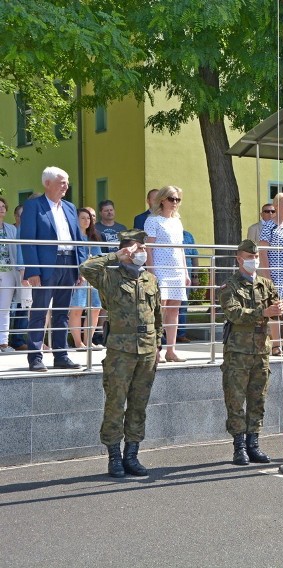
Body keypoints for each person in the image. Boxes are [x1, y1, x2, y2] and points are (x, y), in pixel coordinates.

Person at [80, 229, 162, 477]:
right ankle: (114, 457)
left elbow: (157, 316)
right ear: (128, 251)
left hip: (146, 351)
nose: (143, 253)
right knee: (115, 404)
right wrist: (116, 256)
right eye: (138, 249)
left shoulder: (150, 280)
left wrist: (157, 345)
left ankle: (132, 455)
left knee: (139, 405)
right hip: (120, 352)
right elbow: (86, 268)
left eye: (144, 249)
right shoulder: (110, 277)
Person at [219, 239, 283, 465]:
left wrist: (278, 308)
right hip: (238, 352)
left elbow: (277, 307)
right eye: (249, 257)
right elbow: (234, 314)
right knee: (236, 400)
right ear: (239, 259)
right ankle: (239, 446)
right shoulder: (230, 286)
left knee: (258, 399)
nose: (254, 260)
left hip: (261, 351)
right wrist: (264, 311)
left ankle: (253, 443)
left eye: (256, 257)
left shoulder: (265, 284)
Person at [20, 166, 85, 372]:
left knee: (62, 312)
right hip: (47, 265)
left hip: (69, 263)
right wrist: (33, 270)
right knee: (39, 311)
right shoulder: (33, 206)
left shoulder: (69, 207)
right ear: (47, 183)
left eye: (67, 182)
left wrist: (80, 267)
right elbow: (27, 240)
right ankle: (35, 357)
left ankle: (61, 355)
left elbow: (78, 238)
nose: (66, 186)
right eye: (62, 182)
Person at [144, 185, 190, 363]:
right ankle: (155, 350)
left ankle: (171, 350)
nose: (175, 203)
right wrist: (151, 270)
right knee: (159, 310)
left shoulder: (177, 221)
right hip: (160, 269)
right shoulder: (153, 220)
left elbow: (181, 249)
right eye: (172, 199)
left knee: (174, 310)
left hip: (177, 269)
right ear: (162, 200)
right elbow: (149, 248)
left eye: (178, 199)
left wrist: (185, 272)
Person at [68, 209, 103, 349]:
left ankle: (89, 341)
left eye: (88, 218)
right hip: (78, 277)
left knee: (95, 308)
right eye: (83, 218)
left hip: (93, 277)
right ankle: (78, 342)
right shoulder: (72, 237)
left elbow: (99, 258)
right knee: (77, 308)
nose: (86, 221)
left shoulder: (94, 237)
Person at [259, 192, 283, 356]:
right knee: (276, 307)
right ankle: (276, 345)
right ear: (276, 206)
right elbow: (262, 252)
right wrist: (267, 275)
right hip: (274, 273)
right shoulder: (270, 226)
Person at [0, 198, 23, 352]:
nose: (1, 209)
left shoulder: (11, 229)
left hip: (8, 272)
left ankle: (3, 343)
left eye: (3, 206)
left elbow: (17, 251)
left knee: (5, 308)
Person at [8, 203, 30, 351]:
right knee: (10, 307)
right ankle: (10, 339)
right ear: (16, 216)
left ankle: (18, 339)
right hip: (14, 272)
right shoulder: (14, 229)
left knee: (24, 306)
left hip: (23, 273)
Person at [176, 229, 199, 343]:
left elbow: (195, 256)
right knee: (168, 304)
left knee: (183, 304)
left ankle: (181, 333)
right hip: (172, 271)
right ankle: (165, 333)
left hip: (187, 273)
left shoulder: (188, 236)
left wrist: (195, 276)